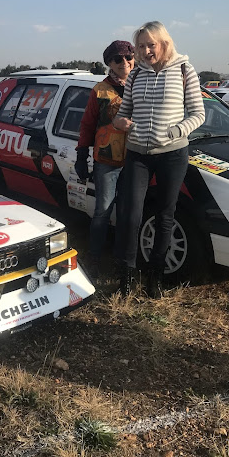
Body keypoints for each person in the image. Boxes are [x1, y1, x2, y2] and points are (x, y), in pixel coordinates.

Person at [112, 21, 205, 298]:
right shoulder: (136, 75)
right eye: (141, 46)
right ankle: (127, 275)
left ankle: (156, 275)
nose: (146, 50)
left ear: (164, 43)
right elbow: (123, 113)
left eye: (151, 44)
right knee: (131, 215)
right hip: (138, 153)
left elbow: (198, 114)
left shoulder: (184, 70)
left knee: (165, 216)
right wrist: (121, 122)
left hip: (172, 154)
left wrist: (176, 131)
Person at [74, 40, 135, 281]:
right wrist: (82, 154)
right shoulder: (99, 90)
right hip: (107, 160)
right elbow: (87, 124)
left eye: (129, 57)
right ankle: (95, 258)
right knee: (103, 211)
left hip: (135, 160)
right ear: (109, 62)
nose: (125, 63)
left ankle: (123, 260)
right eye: (118, 59)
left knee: (129, 212)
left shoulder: (141, 86)